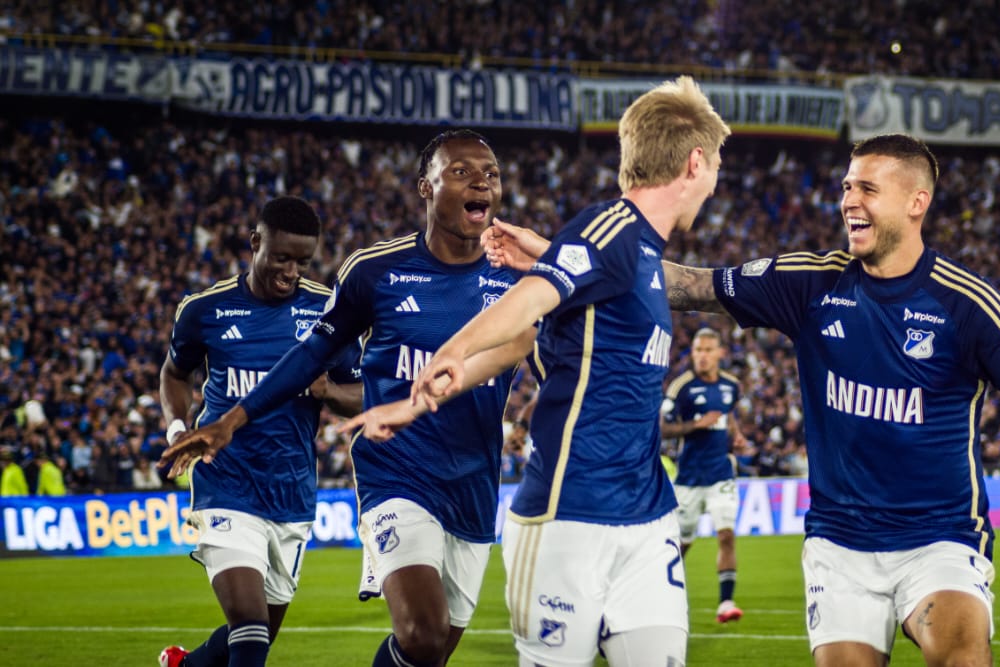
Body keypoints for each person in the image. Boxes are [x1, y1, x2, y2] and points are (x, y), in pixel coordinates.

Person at [486, 133, 1000, 666]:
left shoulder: (968, 303)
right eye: (846, 186)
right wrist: (556, 254)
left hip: (939, 539)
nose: (849, 201)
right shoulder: (810, 281)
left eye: (867, 189)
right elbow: (690, 284)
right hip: (839, 543)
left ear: (917, 203)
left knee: (962, 657)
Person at [355, 76, 731, 667]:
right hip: (568, 516)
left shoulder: (640, 254)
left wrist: (419, 397)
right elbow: (528, 303)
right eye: (717, 166)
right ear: (695, 162)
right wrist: (450, 354)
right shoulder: (608, 230)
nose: (716, 182)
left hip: (647, 515)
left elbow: (532, 336)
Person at [164, 130, 533, 667]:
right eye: (460, 171)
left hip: (475, 482)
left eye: (491, 173)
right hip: (396, 473)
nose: (481, 180)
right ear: (424, 189)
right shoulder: (374, 271)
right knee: (423, 632)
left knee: (428, 653)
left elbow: (551, 356)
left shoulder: (519, 278)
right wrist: (231, 421)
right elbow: (310, 354)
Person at [155, 195, 364, 667]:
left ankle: (185, 665)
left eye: (302, 261)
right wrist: (175, 428)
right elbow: (173, 373)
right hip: (225, 483)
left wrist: (328, 391)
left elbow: (366, 395)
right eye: (281, 257)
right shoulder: (204, 310)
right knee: (249, 630)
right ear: (255, 243)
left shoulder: (326, 315)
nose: (290, 271)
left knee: (255, 634)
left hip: (290, 491)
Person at [660, 327, 747, 624]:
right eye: (698, 350)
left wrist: (736, 436)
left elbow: (729, 413)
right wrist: (696, 424)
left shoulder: (731, 385)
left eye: (708, 350)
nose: (702, 356)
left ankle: (726, 602)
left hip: (721, 473)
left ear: (720, 353)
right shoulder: (680, 388)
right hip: (689, 477)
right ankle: (660, 590)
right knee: (681, 542)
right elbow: (663, 428)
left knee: (726, 534)